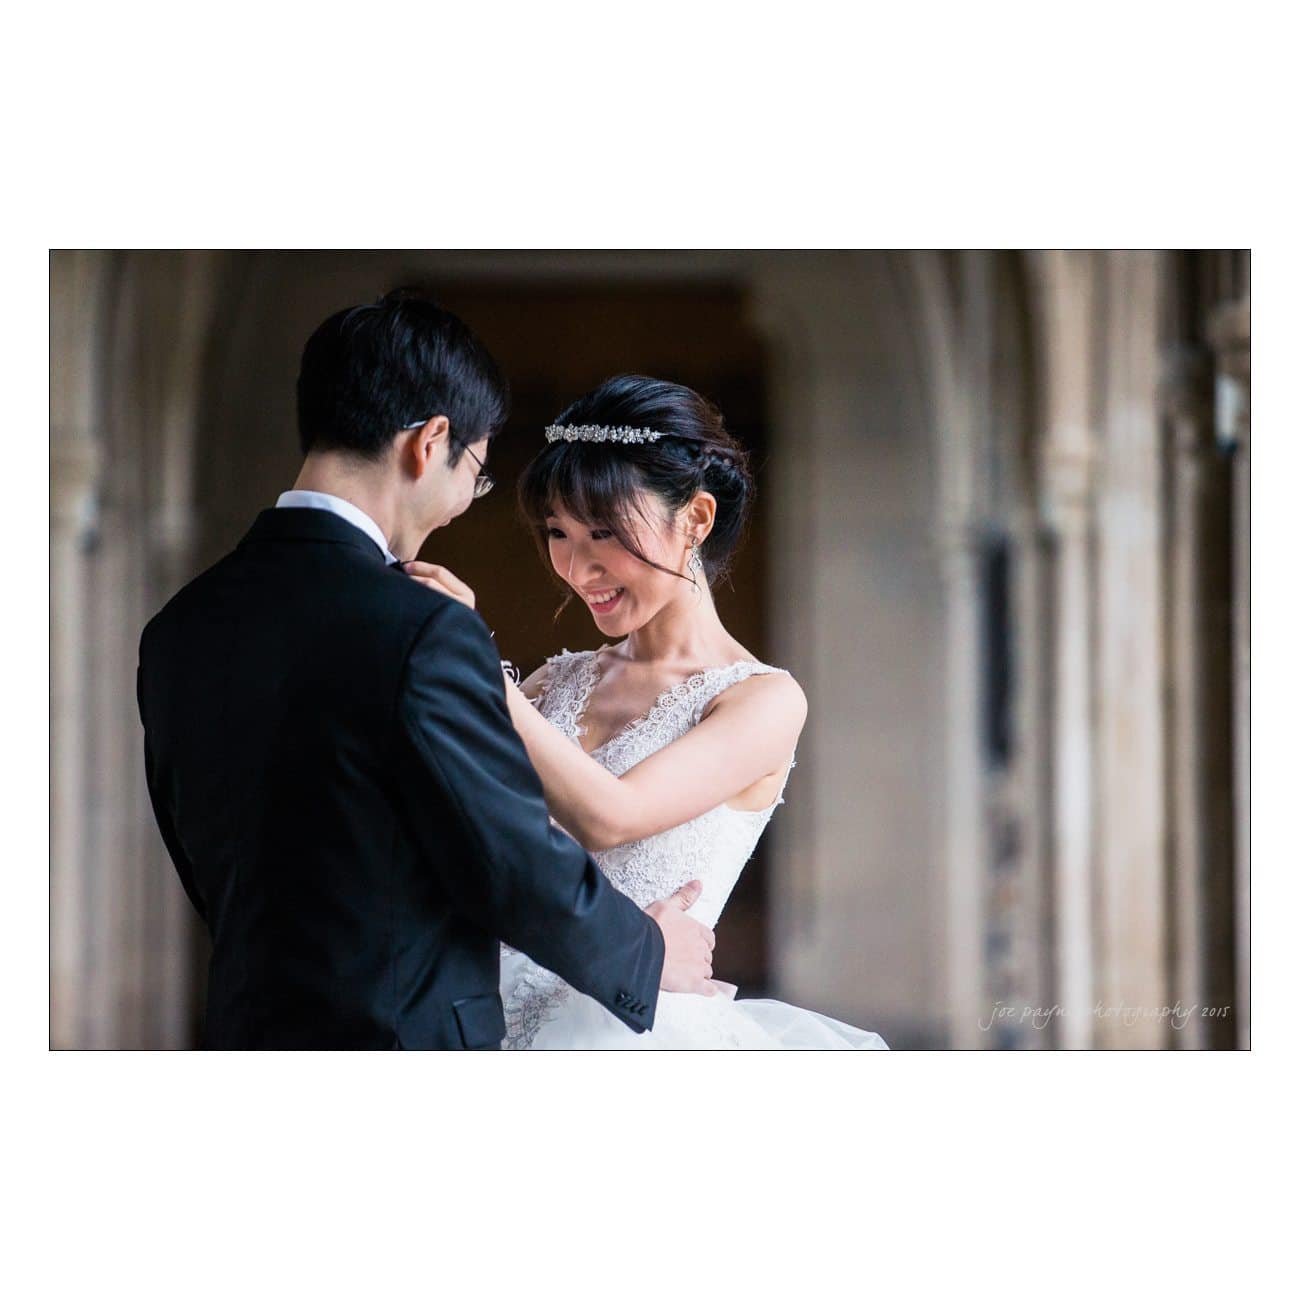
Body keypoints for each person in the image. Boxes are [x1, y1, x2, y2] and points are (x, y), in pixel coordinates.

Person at [137, 292, 715, 1049]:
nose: (459, 506)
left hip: (248, 1028)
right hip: (405, 1037)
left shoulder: (180, 625)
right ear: (428, 442)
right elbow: (509, 856)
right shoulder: (422, 630)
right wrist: (646, 950)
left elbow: (201, 852)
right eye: (473, 474)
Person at [404, 375, 888, 1049]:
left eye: (604, 531)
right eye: (558, 532)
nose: (578, 568)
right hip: (490, 1019)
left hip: (635, 1036)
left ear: (695, 518)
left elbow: (611, 816)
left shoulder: (761, 700)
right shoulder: (551, 683)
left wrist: (483, 673)